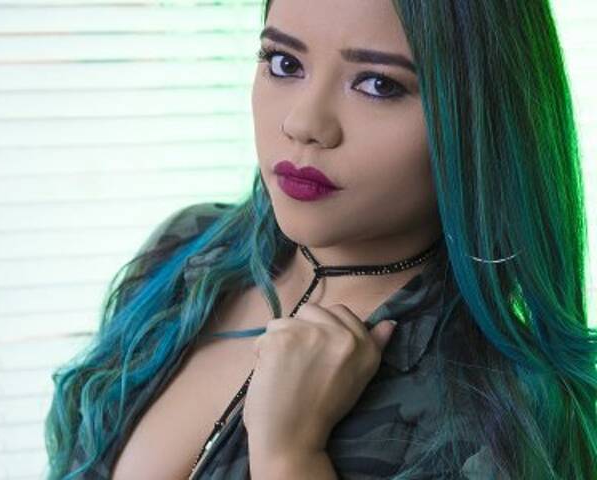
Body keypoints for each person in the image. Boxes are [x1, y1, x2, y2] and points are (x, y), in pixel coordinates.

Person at [44, 0, 597, 478]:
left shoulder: (505, 410)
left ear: (483, 115)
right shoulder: (189, 252)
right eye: (284, 63)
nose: (304, 123)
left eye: (378, 84)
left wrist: (290, 456)